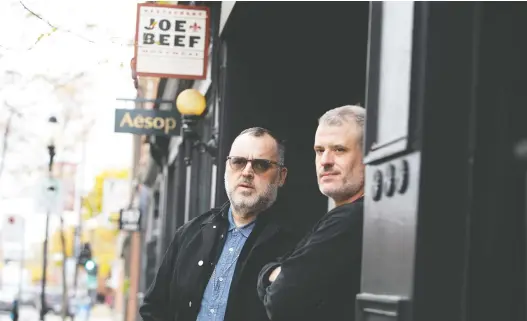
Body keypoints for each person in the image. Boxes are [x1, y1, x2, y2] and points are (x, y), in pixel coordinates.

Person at [140, 127, 298, 321]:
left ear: (281, 176)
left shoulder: (296, 244)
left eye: (260, 165)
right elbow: (153, 308)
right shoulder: (190, 233)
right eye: (238, 162)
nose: (247, 172)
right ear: (226, 167)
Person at [257, 105, 365, 321]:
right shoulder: (345, 215)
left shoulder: (351, 218)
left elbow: (281, 299)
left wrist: (273, 273)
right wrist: (274, 272)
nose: (325, 161)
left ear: (368, 155)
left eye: (339, 149)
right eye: (319, 150)